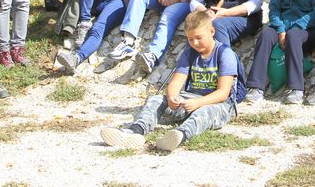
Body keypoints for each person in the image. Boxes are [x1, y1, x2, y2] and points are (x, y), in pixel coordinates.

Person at [100, 10, 243, 152]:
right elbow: (176, 82)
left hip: (220, 105)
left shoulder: (225, 54)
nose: (195, 43)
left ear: (212, 32)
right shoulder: (189, 53)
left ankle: (180, 135)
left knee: (204, 112)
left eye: (199, 37)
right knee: (156, 99)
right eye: (190, 39)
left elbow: (223, 92)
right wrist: (172, 97)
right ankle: (136, 130)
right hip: (191, 99)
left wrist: (199, 103)